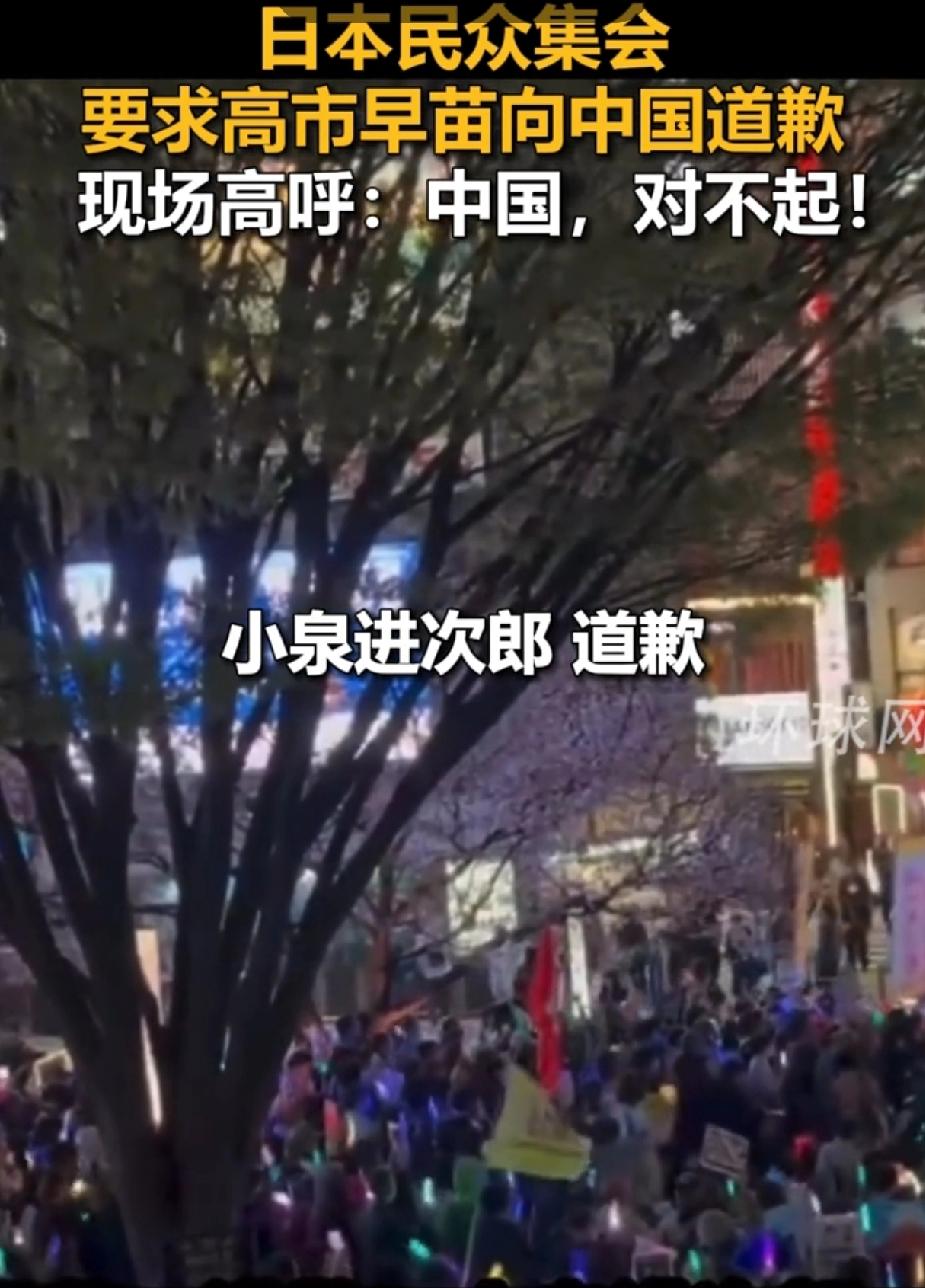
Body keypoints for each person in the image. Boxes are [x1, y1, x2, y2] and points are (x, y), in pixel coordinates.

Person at [839, 858, 873, 973]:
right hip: (850, 915)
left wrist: (867, 918)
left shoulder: (861, 880)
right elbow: (841, 898)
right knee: (850, 940)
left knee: (861, 939)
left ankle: (863, 962)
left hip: (860, 915)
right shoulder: (844, 881)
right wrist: (844, 917)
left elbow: (867, 898)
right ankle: (852, 961)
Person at [872, 836, 896, 932]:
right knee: (887, 902)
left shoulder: (888, 854)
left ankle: (889, 921)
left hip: (887, 879)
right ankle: (889, 921)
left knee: (888, 902)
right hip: (885, 879)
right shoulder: (886, 853)